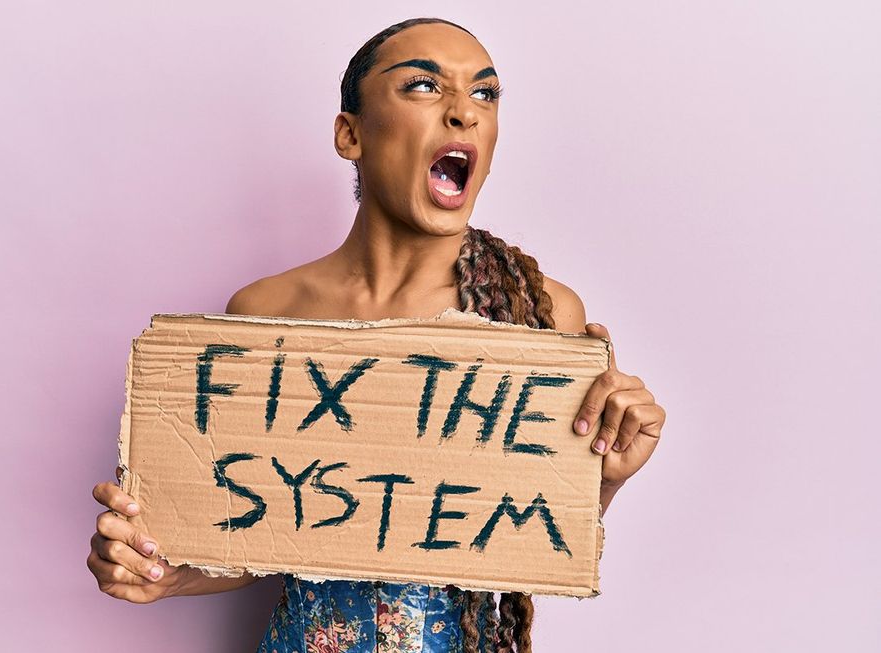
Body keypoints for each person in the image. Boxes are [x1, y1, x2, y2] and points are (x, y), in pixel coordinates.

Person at [87, 16, 666, 653]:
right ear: (350, 133)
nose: (463, 112)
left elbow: (520, 530)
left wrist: (601, 482)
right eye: (423, 85)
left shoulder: (535, 315)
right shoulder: (267, 312)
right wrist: (160, 574)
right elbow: (266, 533)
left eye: (485, 93)